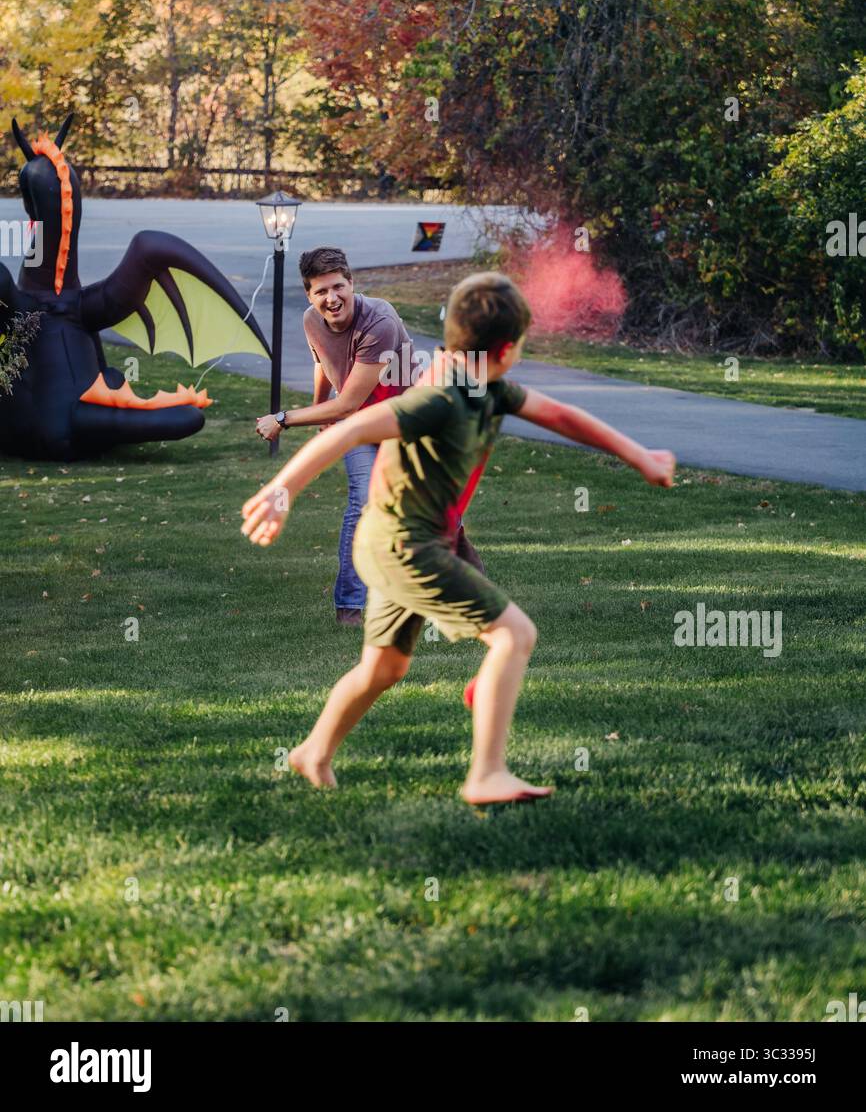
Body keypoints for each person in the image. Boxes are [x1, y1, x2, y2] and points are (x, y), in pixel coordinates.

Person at [243, 271, 675, 806]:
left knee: (384, 667)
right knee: (513, 635)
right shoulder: (444, 396)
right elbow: (353, 428)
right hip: (406, 545)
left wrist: (641, 457)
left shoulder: (488, 388)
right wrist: (282, 490)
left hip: (393, 543)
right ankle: (486, 774)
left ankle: (313, 752)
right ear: (510, 348)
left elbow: (562, 416)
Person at [255, 246, 482, 626]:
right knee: (362, 505)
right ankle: (350, 609)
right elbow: (324, 365)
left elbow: (348, 403)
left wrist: (284, 418)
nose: (332, 298)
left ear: (352, 283)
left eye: (338, 287)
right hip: (362, 425)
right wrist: (318, 412)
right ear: (309, 295)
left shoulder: (379, 322)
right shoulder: (312, 320)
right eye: (321, 291)